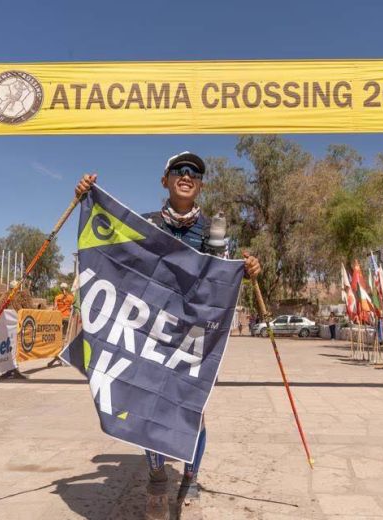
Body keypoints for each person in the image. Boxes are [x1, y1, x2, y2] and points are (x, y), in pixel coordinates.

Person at [75, 151, 262, 520]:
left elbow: (229, 275)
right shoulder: (144, 224)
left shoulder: (216, 232)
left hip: (195, 336)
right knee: (147, 404)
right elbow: (114, 255)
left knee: (195, 409)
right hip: (151, 330)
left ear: (201, 184)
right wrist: (86, 197)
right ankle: (158, 478)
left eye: (195, 172)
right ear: (165, 180)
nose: (187, 175)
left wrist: (251, 268)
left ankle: (190, 478)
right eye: (179, 170)